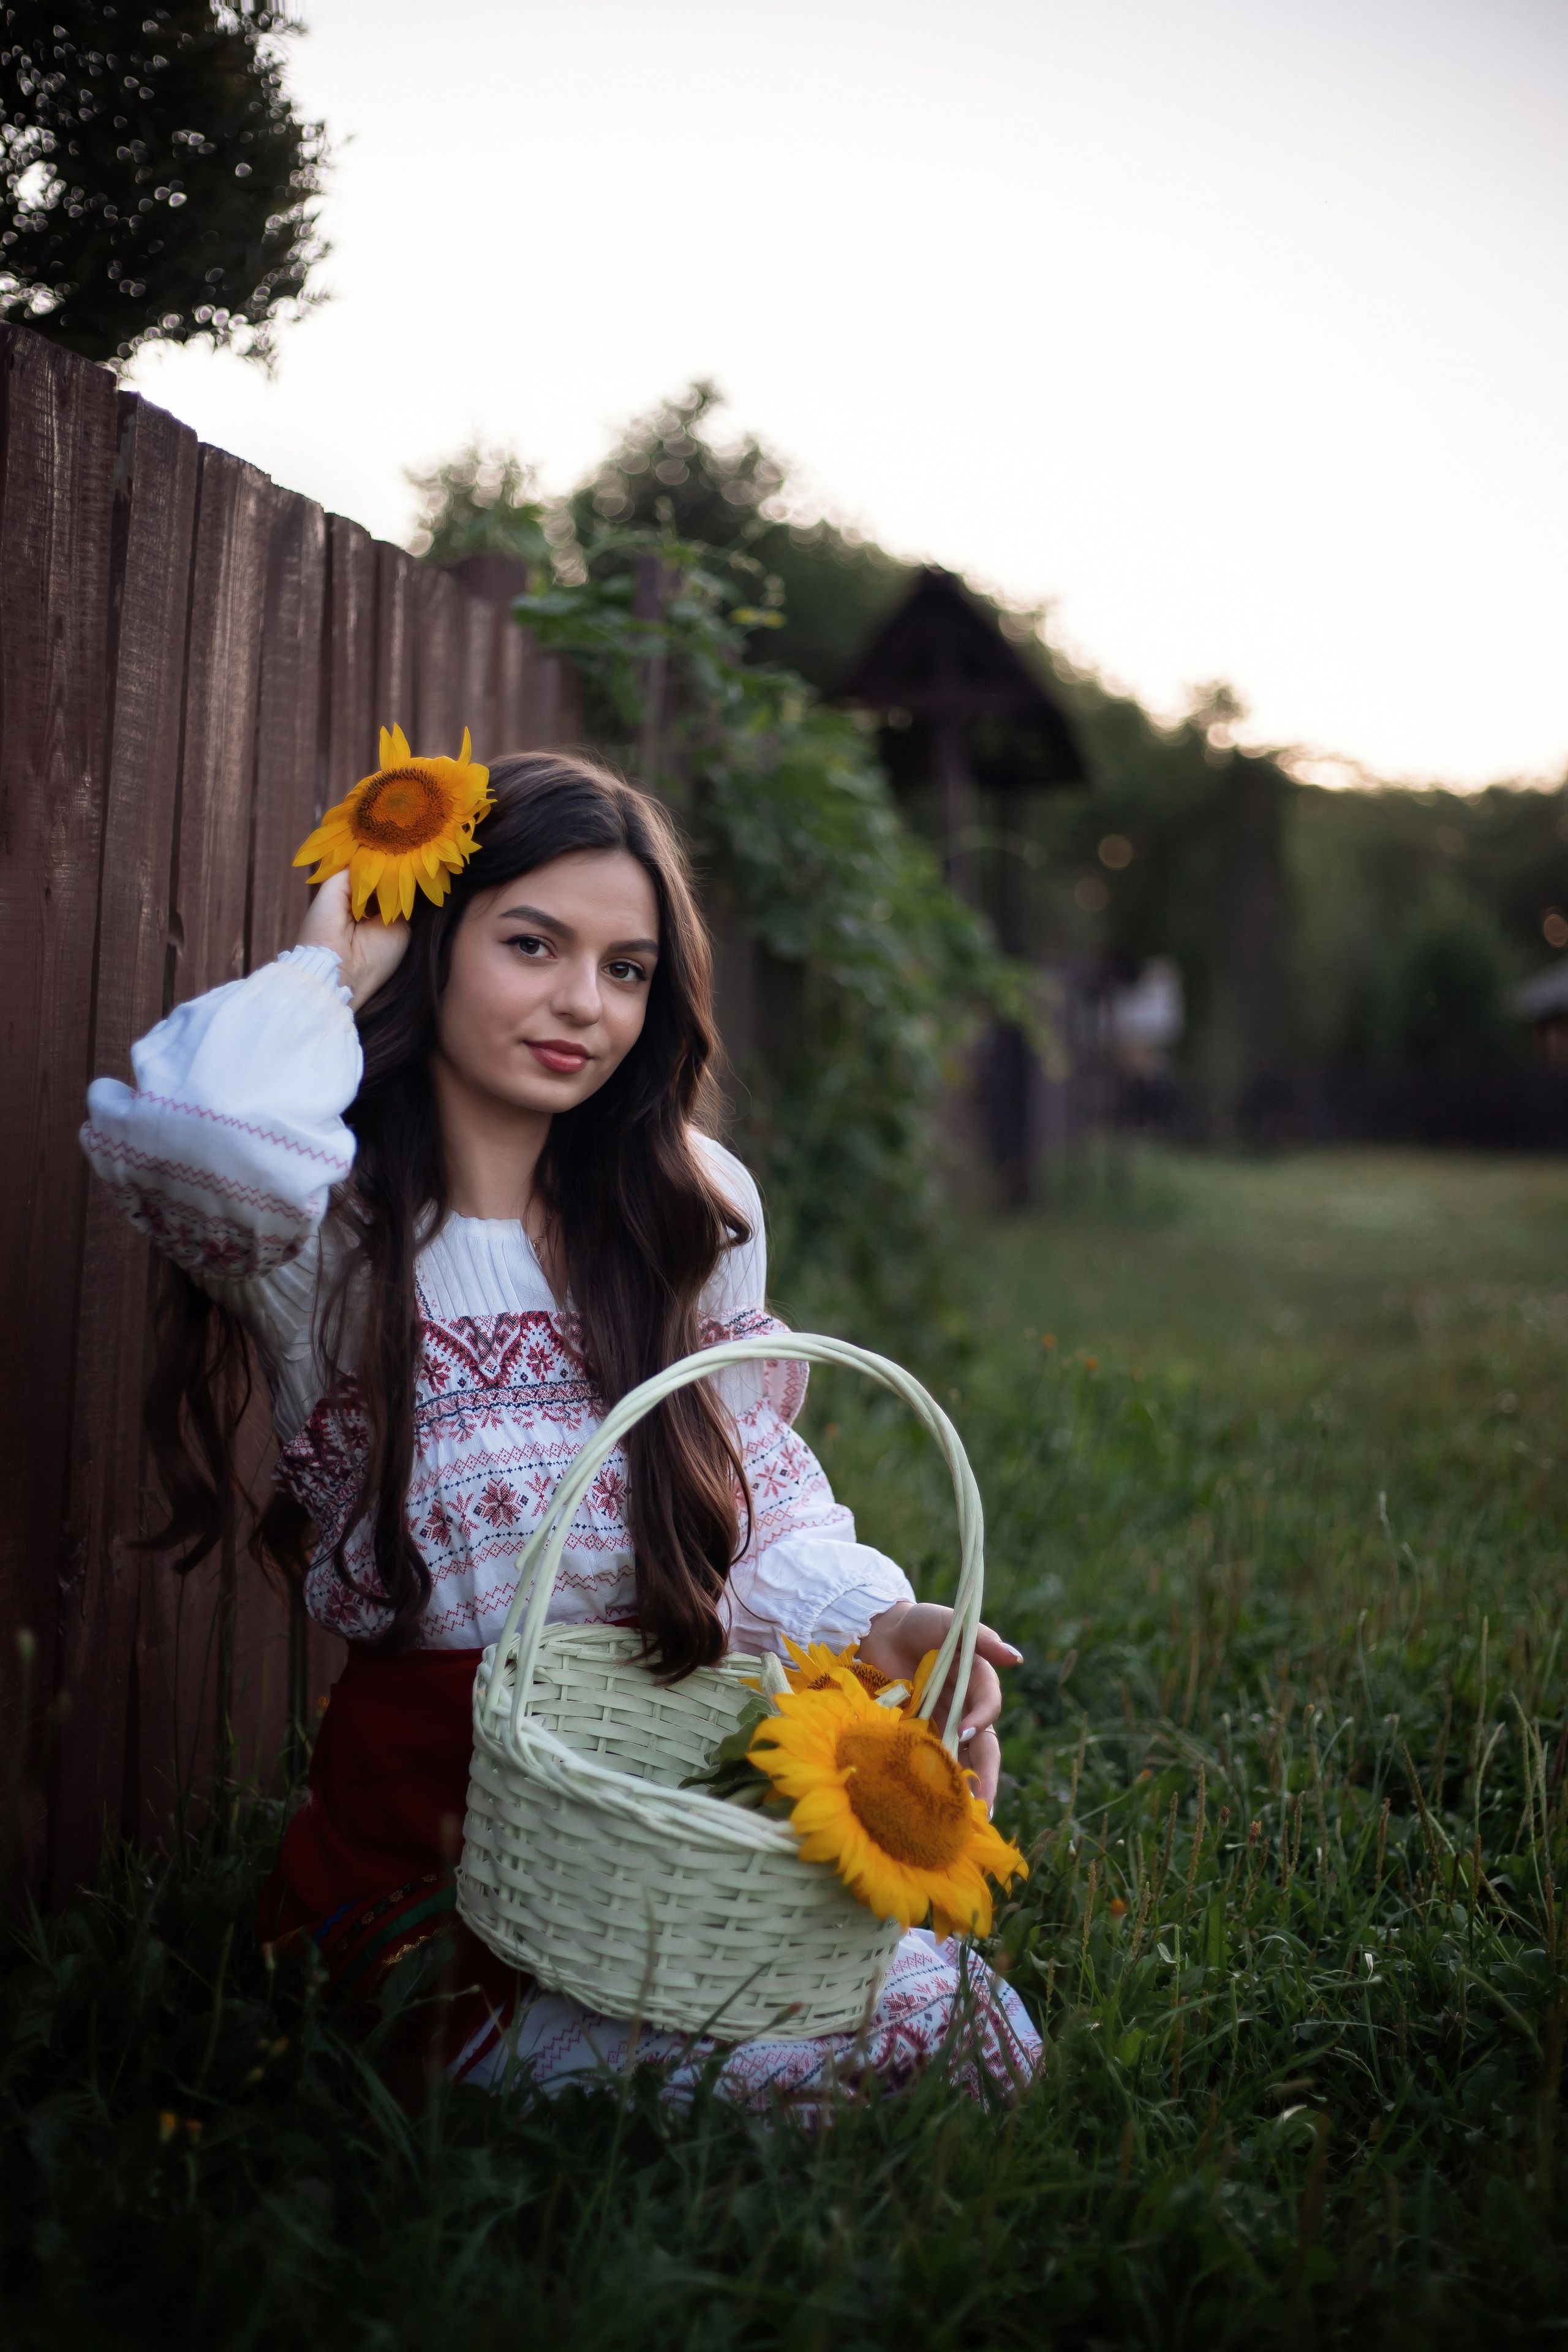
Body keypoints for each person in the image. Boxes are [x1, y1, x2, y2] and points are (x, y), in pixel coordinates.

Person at [81, 748, 1039, 2107]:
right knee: (756, 2091)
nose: (582, 1005)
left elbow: (750, 1505)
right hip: (440, 1847)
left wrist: (875, 1626)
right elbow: (202, 1140)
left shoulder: (689, 1208)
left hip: (663, 1824)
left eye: (627, 968)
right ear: (435, 943)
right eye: (532, 944)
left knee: (971, 2044)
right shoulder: (320, 1231)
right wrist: (328, 964)